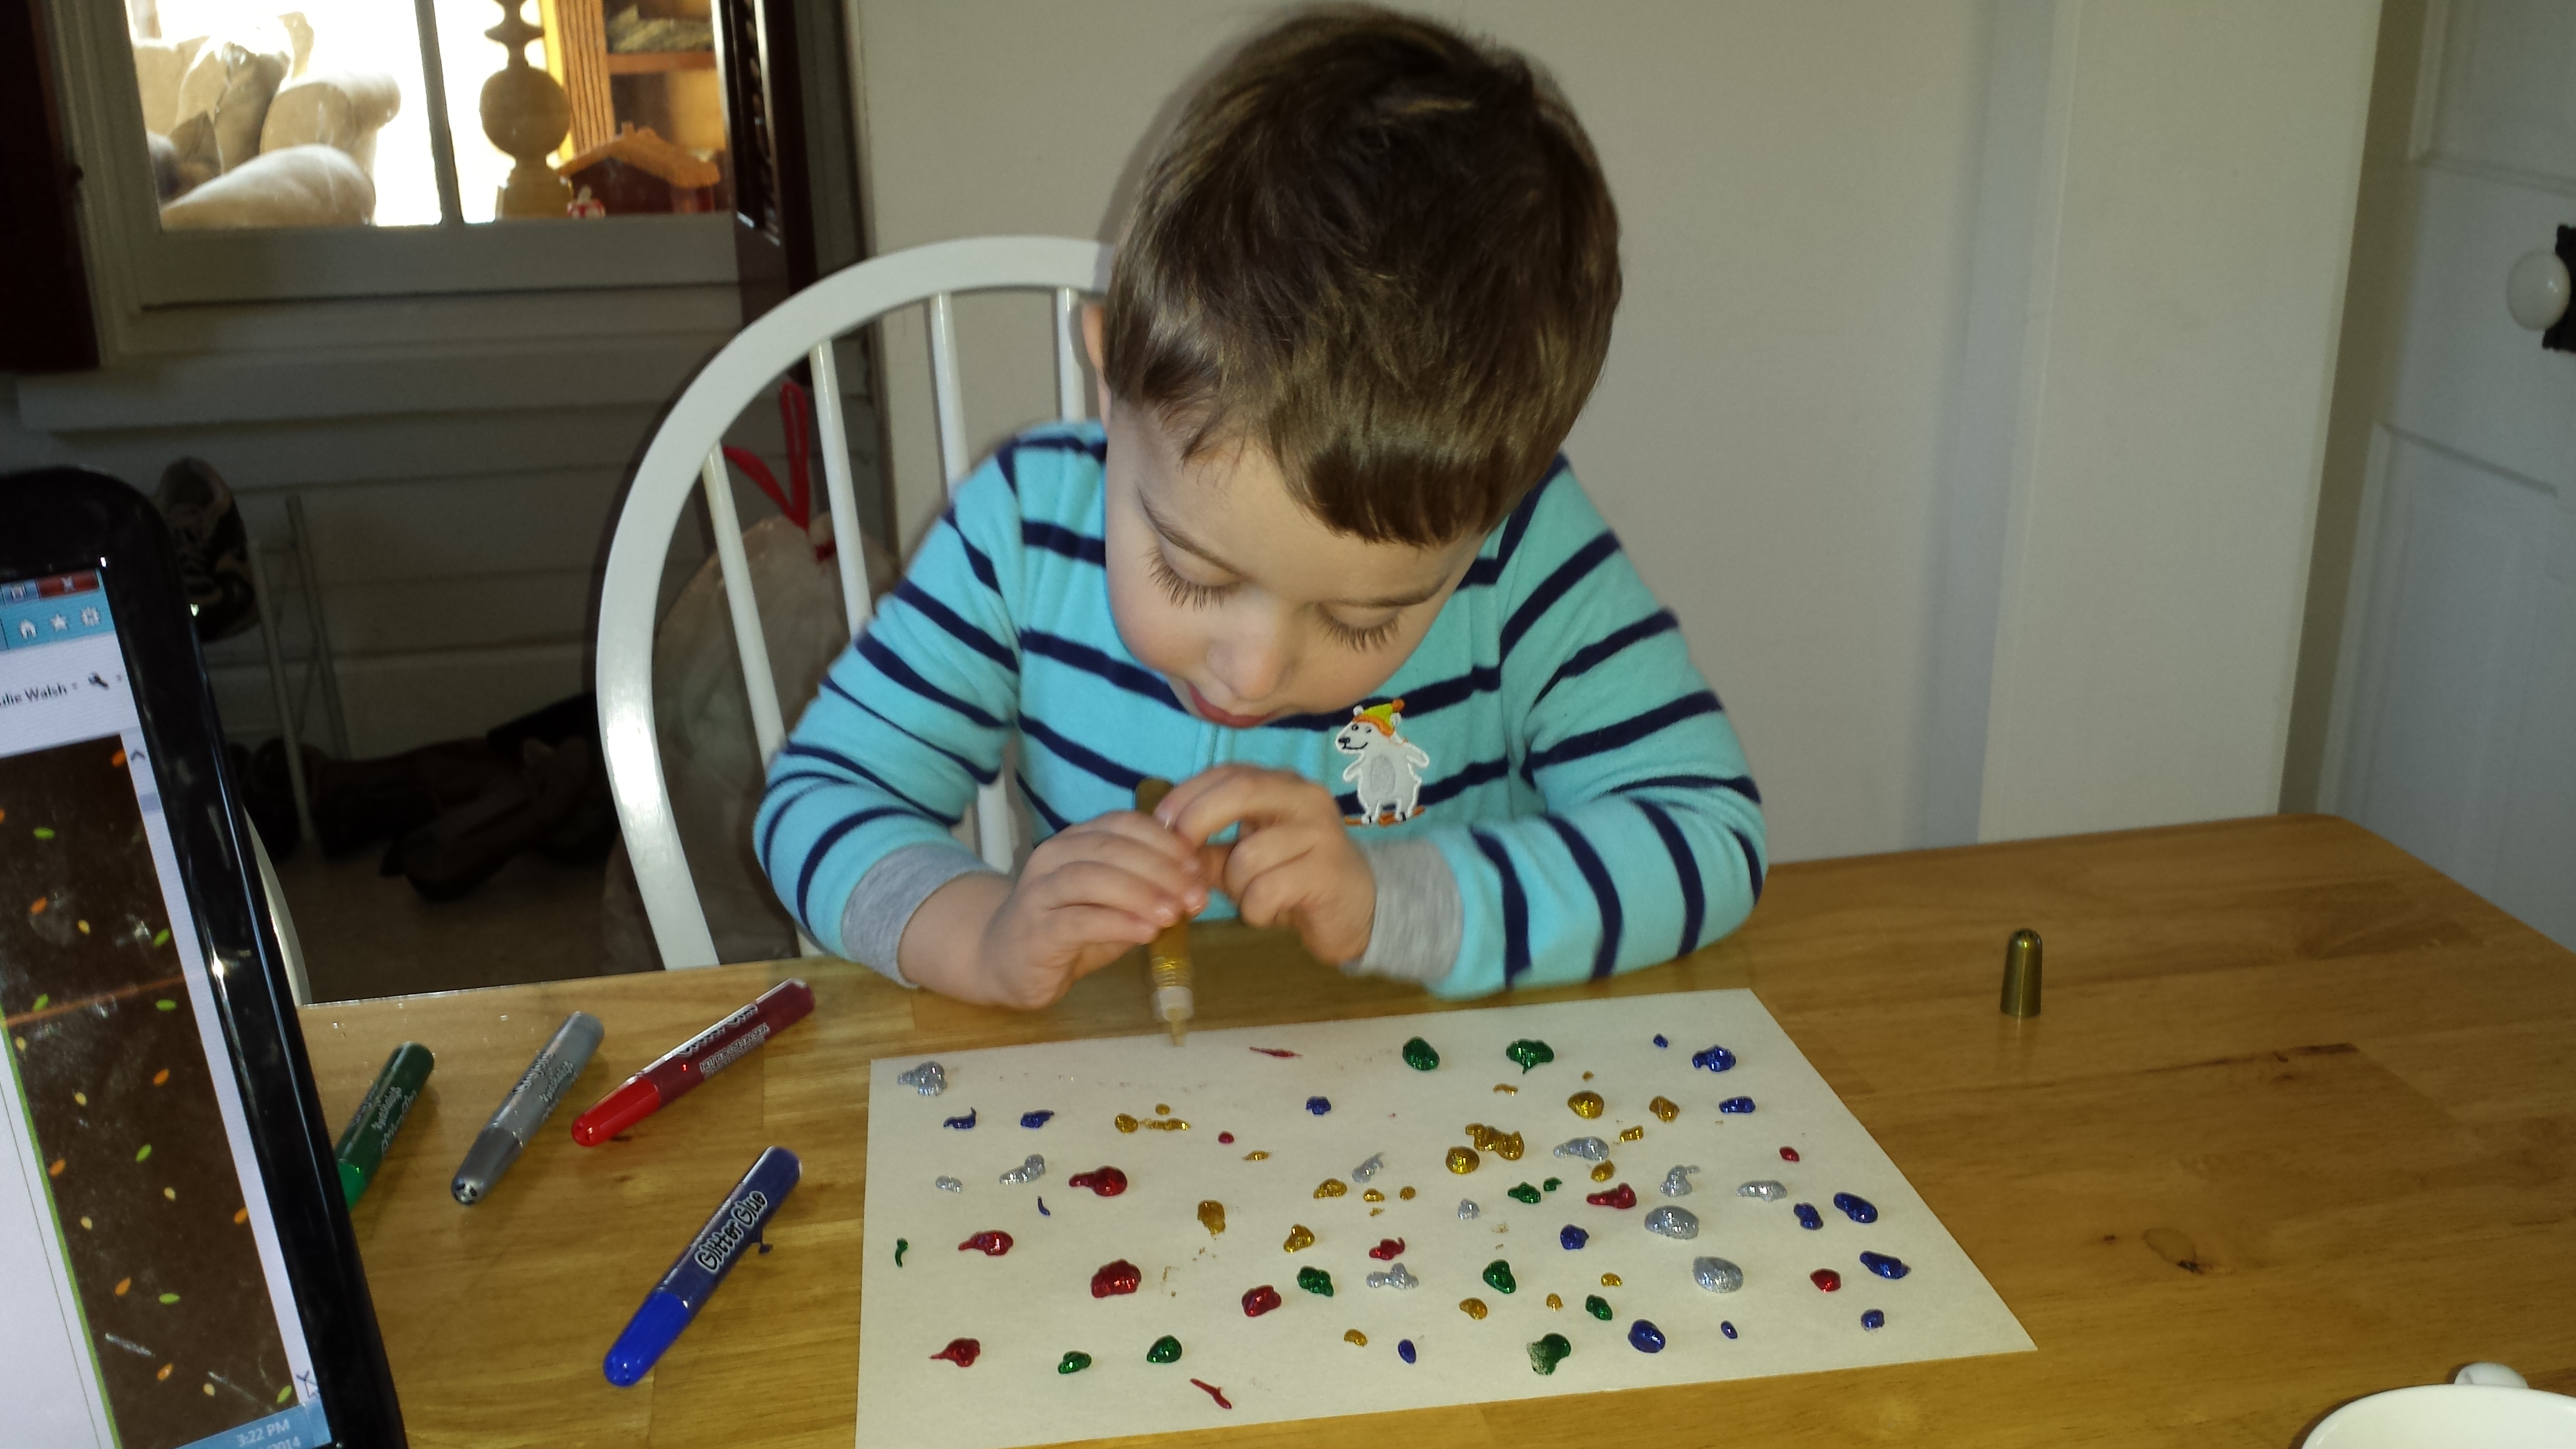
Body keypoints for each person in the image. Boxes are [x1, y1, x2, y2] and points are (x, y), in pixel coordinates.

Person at [757, 5, 1764, 1005]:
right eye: (1190, 571)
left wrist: (1396, 904)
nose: (1253, 671)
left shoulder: (1524, 552)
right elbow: (818, 800)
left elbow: (1708, 831)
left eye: (1361, 618)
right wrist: (980, 937)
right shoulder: (1022, 529)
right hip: (1112, 1083)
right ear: (1111, 378)